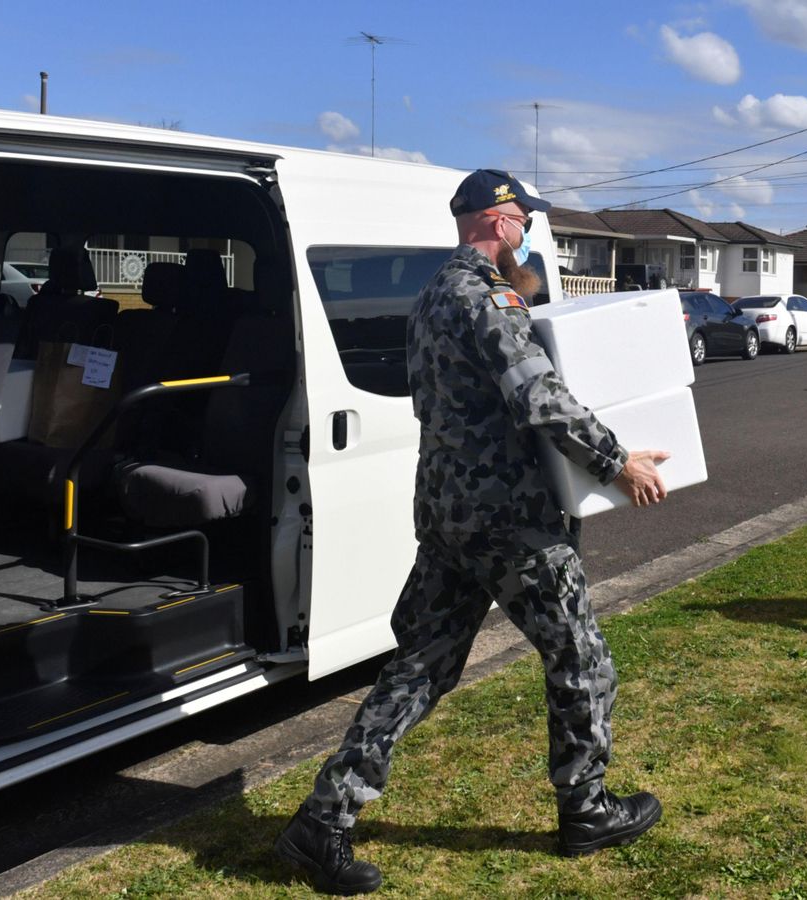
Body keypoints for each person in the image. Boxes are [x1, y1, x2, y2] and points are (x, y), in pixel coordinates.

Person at [277, 169, 672, 894]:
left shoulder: (430, 294)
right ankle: (586, 810)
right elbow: (538, 396)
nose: (528, 228)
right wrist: (619, 464)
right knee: (582, 661)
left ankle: (322, 821)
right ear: (497, 220)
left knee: (421, 667)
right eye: (524, 217)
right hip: (509, 520)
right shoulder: (486, 296)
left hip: (448, 513)